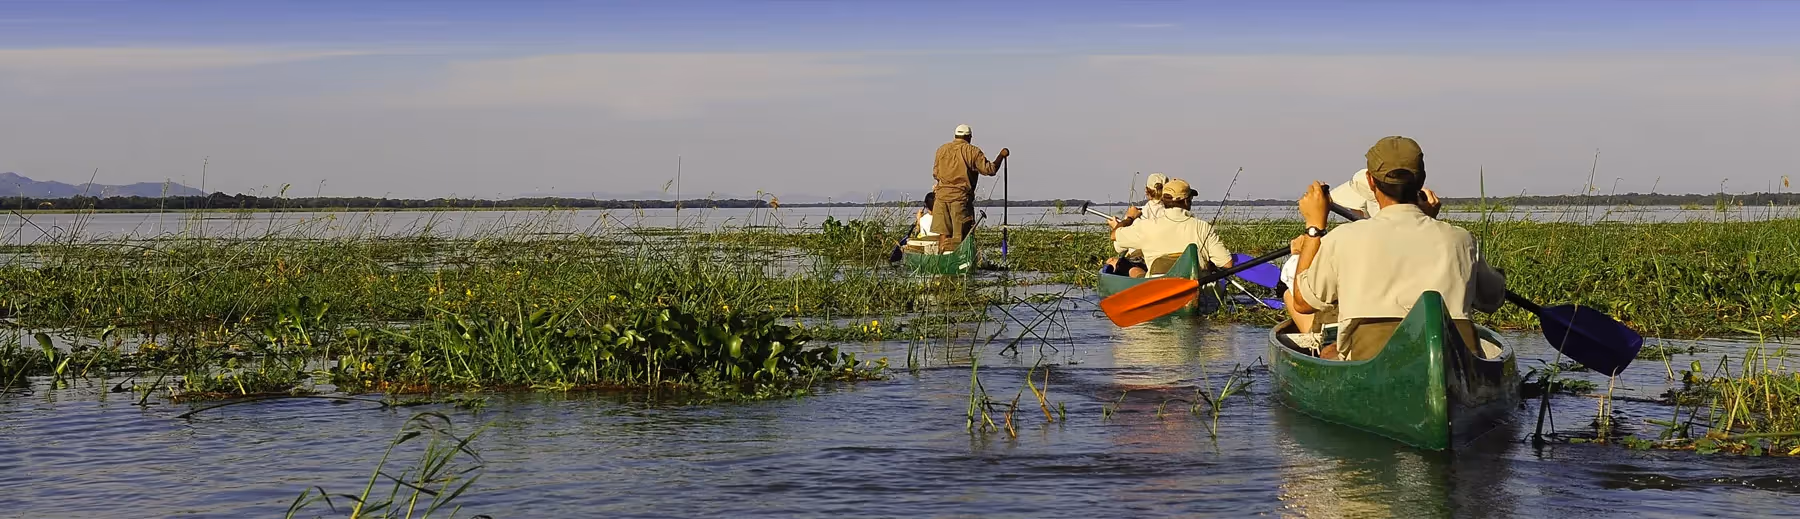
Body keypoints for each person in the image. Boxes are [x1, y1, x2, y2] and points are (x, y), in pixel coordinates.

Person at [1286, 136, 1505, 360]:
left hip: (1370, 355)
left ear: (1371, 182)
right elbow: (1493, 298)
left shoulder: (1343, 238)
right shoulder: (1461, 239)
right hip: (1453, 358)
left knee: (1329, 352)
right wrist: (1429, 223)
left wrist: (1314, 227)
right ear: (1421, 180)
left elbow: (1302, 303)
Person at [1277, 163, 1444, 332]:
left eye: (1353, 209)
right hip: (1417, 326)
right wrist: (1426, 220)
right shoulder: (1447, 239)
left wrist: (1308, 242)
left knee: (1289, 280)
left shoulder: (1343, 240)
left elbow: (1303, 302)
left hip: (1360, 335)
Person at [1106, 179, 1234, 277]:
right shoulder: (1202, 227)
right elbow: (1227, 264)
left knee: (1128, 267)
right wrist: (1209, 266)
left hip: (1156, 287)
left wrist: (1130, 218)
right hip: (1196, 286)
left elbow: (1114, 235)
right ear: (1186, 201)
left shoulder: (1145, 226)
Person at [931, 124, 1008, 251]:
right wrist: (1001, 155)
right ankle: (959, 263)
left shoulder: (941, 150)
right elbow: (990, 170)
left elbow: (936, 174)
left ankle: (941, 261)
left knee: (943, 234)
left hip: (941, 198)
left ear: (955, 136)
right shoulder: (972, 151)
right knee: (961, 236)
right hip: (960, 199)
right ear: (969, 137)